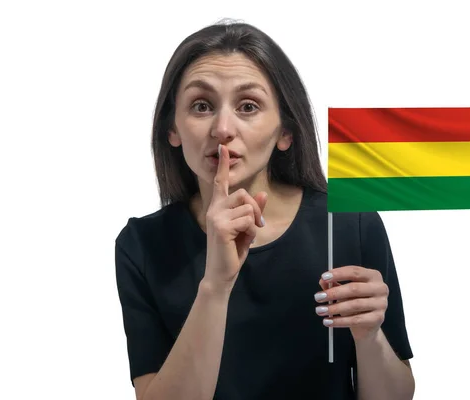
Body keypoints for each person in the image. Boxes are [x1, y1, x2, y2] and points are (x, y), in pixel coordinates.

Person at [115, 20, 415, 400]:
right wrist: (215, 285)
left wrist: (370, 337)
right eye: (201, 106)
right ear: (172, 129)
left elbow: (397, 395)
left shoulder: (349, 222)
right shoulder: (142, 245)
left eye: (248, 106)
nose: (223, 128)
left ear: (285, 132)